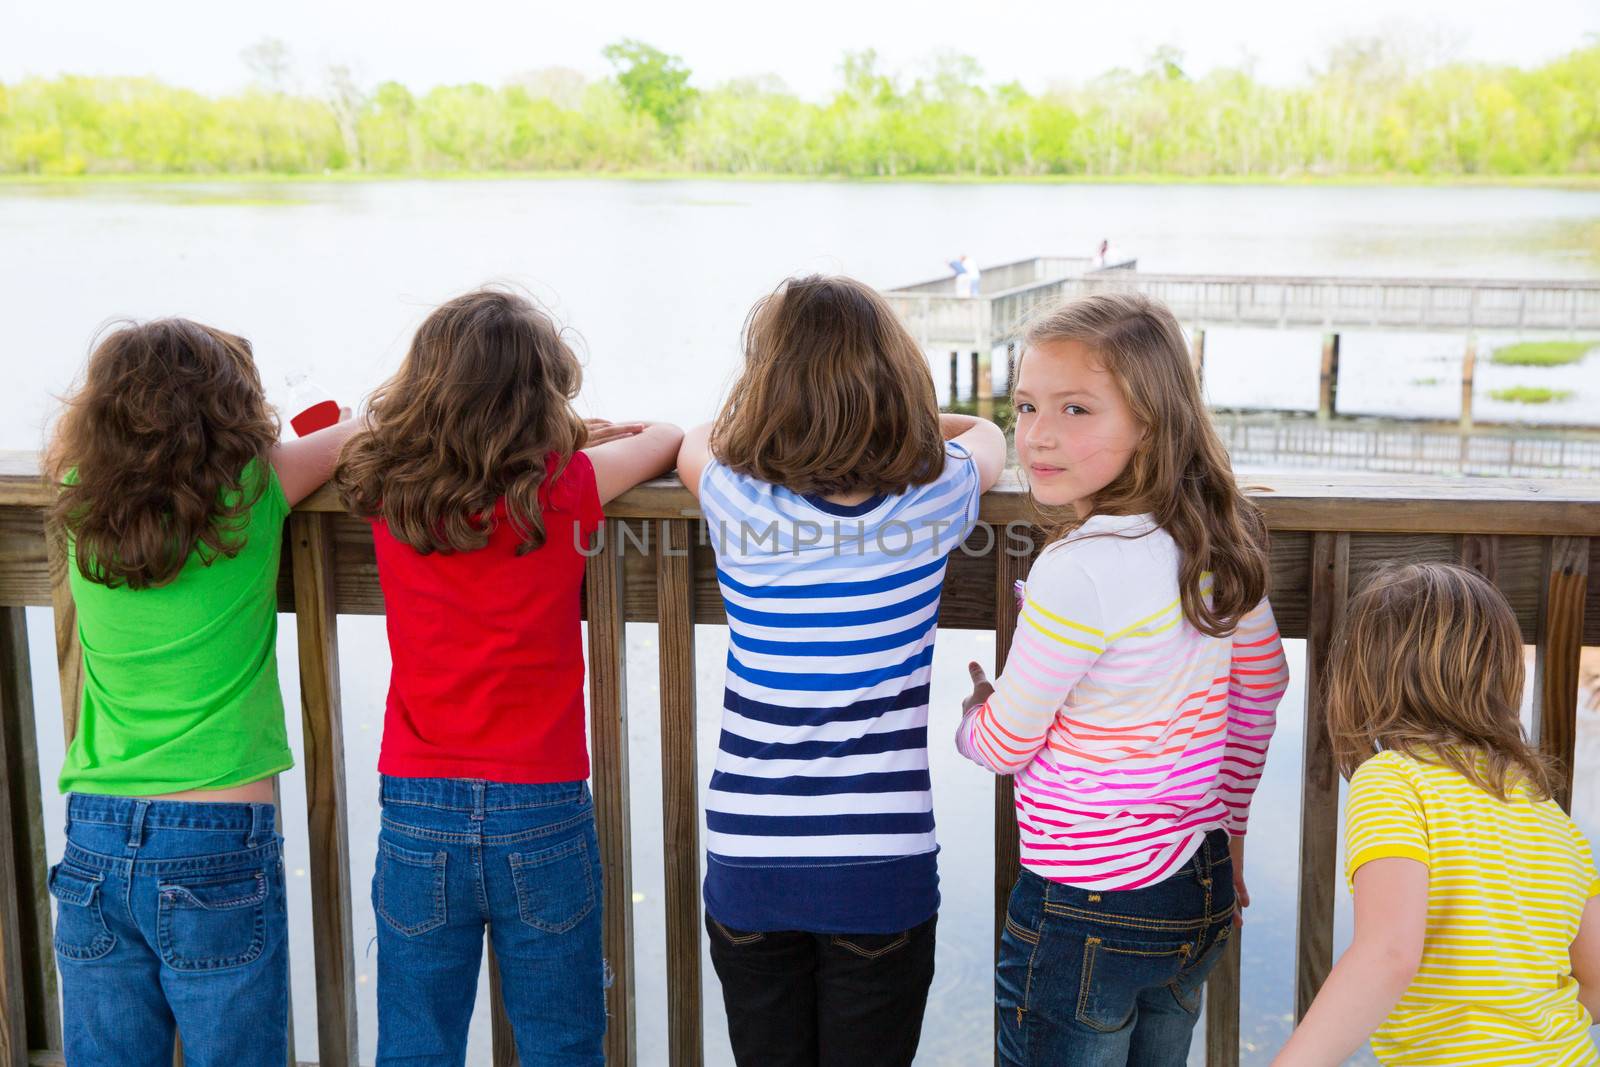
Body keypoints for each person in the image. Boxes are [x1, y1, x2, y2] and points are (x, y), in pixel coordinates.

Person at [334, 287, 683, 1065]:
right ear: (543, 398)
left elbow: (359, 434)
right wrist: (570, 442)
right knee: (562, 1041)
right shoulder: (566, 488)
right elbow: (664, 436)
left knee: (417, 1041)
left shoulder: (389, 490)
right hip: (544, 807)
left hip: (419, 808)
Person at [675, 274, 1007, 1067]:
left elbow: (699, 438)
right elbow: (990, 434)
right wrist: (908, 425)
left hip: (750, 860)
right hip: (878, 869)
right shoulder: (932, 496)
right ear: (897, 385)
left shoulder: (736, 497)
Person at [955, 291, 1288, 1066]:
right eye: (1027, 405)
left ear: (1150, 423)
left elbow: (1006, 744)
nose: (1036, 435)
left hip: (1084, 911)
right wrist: (1231, 833)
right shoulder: (1216, 536)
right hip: (1193, 884)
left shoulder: (1079, 571)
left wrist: (976, 714)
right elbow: (1262, 688)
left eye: (1076, 410)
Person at [45, 318, 361, 1066]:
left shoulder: (76, 498)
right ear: (229, 413)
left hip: (95, 830)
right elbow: (357, 434)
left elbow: (70, 439)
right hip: (219, 837)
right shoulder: (250, 491)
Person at [1274, 563, 1600, 1067]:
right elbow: (1596, 979)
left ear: (1365, 676)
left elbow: (1388, 955)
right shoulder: (1545, 809)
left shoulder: (1394, 780)